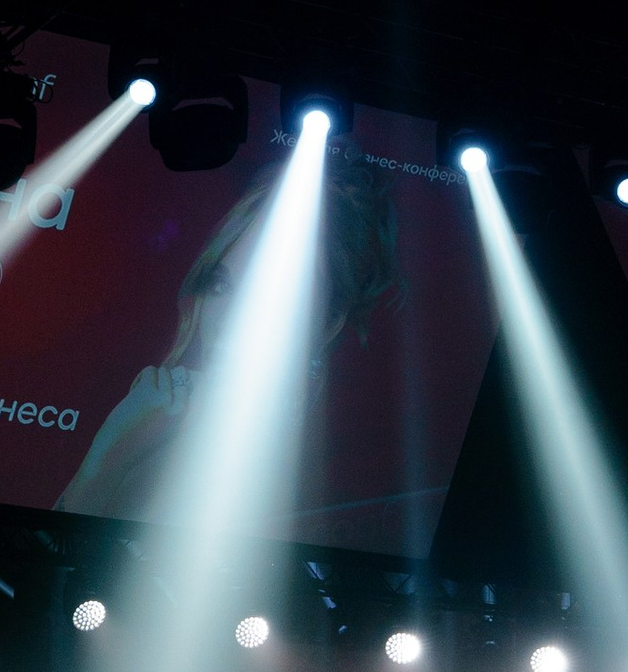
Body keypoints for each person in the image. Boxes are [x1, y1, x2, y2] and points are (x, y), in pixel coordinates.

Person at [58, 148, 402, 521]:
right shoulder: (153, 418)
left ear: (328, 323)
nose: (228, 320)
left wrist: (108, 463)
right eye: (222, 287)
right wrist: (108, 458)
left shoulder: (323, 482)